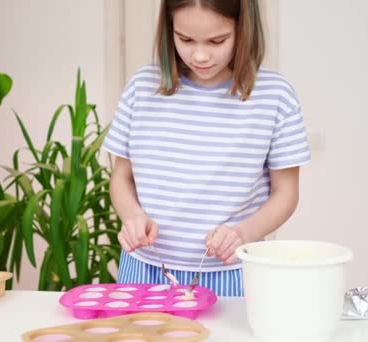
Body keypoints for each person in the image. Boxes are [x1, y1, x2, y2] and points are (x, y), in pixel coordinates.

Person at [101, 0, 310, 296]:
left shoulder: (275, 95)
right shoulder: (141, 87)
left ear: (244, 29)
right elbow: (122, 177)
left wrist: (243, 234)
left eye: (217, 41)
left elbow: (285, 194)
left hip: (233, 274)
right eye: (184, 39)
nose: (199, 55)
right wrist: (133, 217)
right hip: (143, 271)